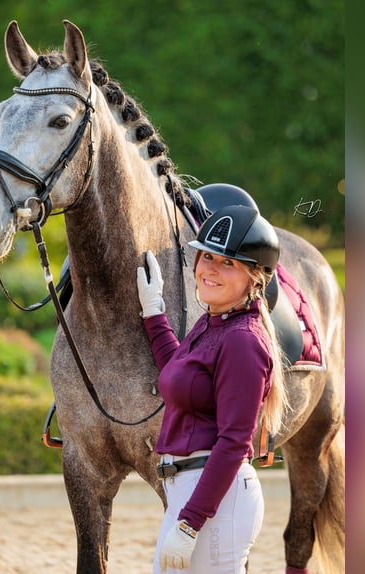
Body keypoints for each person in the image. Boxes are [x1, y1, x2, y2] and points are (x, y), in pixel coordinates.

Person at [136, 205, 290, 573]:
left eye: (227, 263)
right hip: (192, 492)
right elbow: (181, 373)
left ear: (256, 277)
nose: (208, 270)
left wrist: (190, 522)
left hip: (213, 500)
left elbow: (235, 439)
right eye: (206, 257)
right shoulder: (214, 323)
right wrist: (153, 312)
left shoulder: (242, 340)